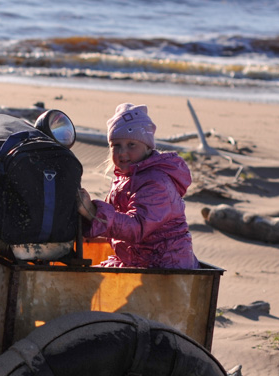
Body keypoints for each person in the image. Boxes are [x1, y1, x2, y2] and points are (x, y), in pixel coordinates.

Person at [77, 102, 197, 269]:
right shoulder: (124, 179)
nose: (122, 152)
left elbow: (137, 227)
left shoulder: (156, 182)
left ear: (148, 147)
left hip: (166, 266)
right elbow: (117, 226)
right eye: (116, 145)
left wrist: (93, 213)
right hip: (137, 259)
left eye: (131, 144)